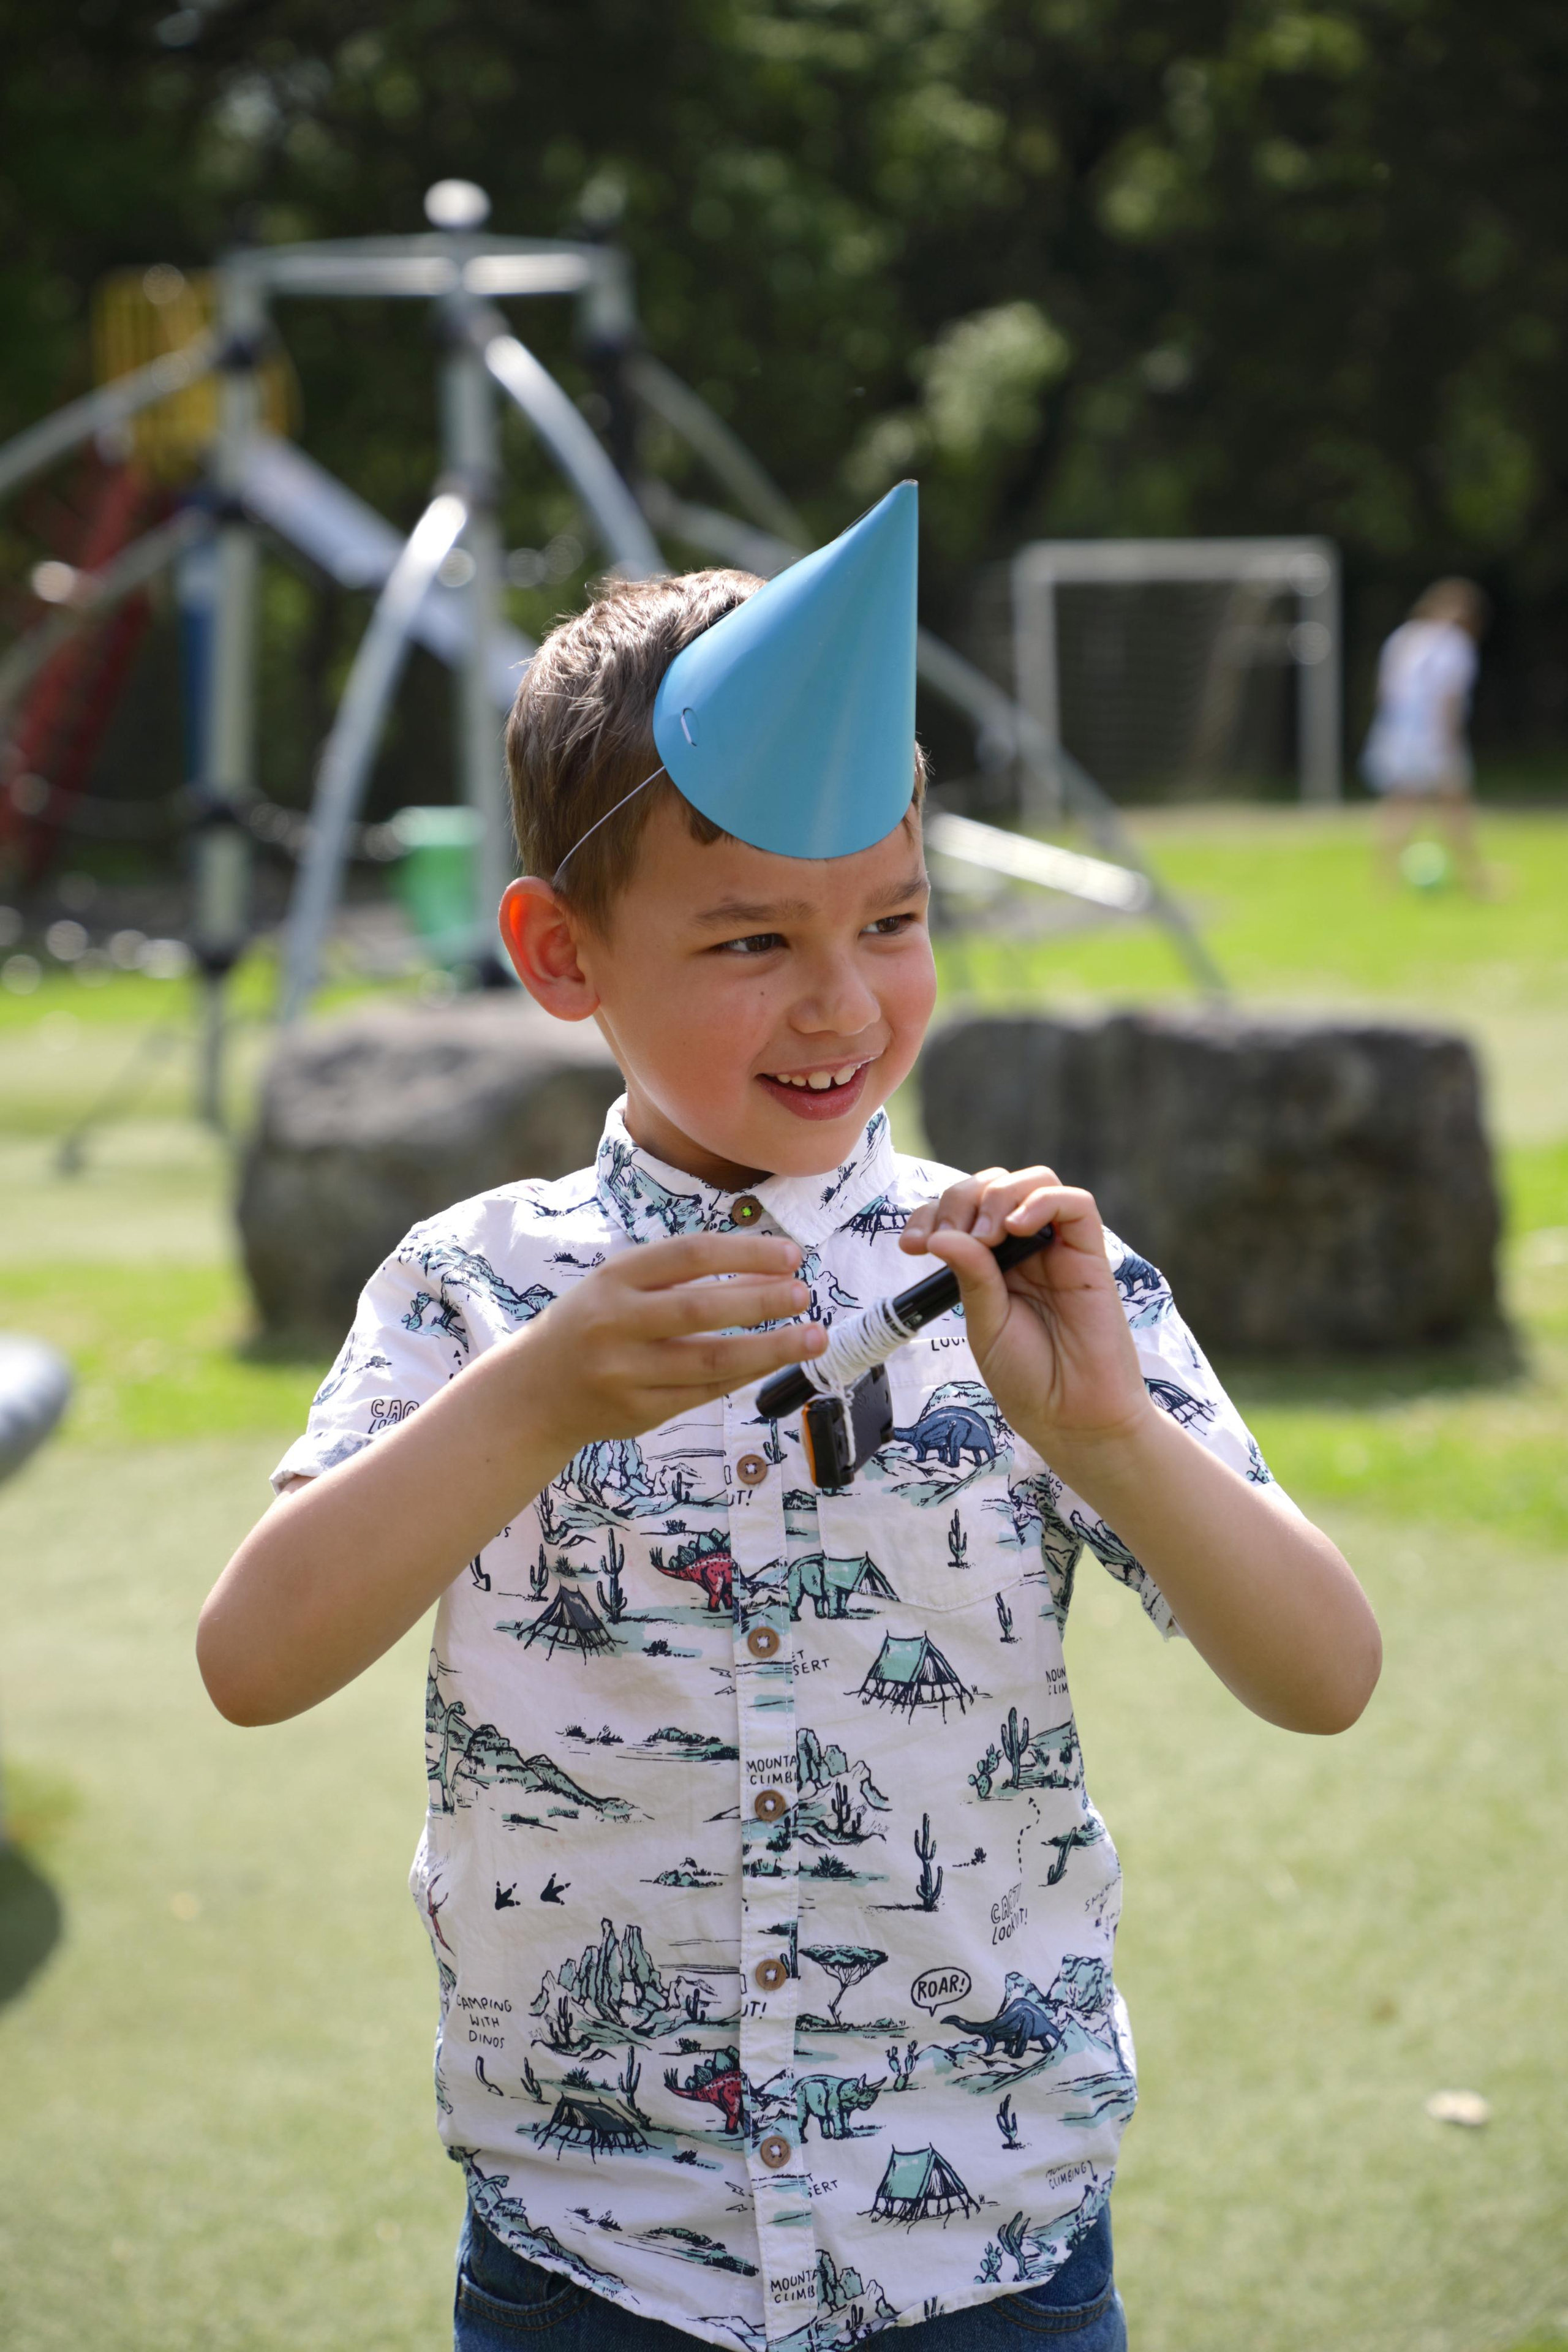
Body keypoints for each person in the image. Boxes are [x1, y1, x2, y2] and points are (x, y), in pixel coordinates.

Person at [198, 485, 1380, 2352]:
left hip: (986, 2241)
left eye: (892, 918)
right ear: (559, 951)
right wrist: (537, 1399)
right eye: (749, 939)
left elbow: (1323, 1674)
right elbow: (254, 1658)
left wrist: (1108, 1437)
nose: (841, 1000)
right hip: (596, 2248)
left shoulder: (1026, 1279)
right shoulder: (478, 1288)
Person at [1361, 576, 1491, 893]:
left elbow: (1384, 692)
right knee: (1455, 806)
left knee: (1401, 804)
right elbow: (1448, 698)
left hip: (1396, 732)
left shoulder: (1403, 638)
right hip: (1433, 736)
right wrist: (1448, 743)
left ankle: (1384, 879)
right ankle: (1476, 880)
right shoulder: (1453, 644)